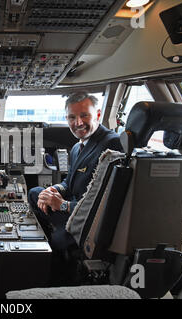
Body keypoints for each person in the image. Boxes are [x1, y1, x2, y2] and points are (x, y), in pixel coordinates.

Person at [28, 91, 123, 257]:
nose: (78, 123)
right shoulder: (77, 148)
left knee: (57, 239)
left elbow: (105, 202)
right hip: (71, 208)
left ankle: (53, 252)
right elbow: (68, 183)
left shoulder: (111, 144)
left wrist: (63, 205)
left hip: (87, 219)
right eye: (72, 117)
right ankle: (50, 236)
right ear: (66, 119)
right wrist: (54, 190)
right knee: (36, 193)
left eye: (84, 115)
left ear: (98, 115)